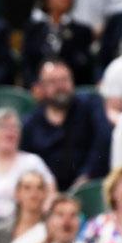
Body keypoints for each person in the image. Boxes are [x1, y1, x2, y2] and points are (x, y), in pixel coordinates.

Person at [21, 59, 111, 191]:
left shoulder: (90, 105)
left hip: (90, 185)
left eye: (64, 80)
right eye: (52, 82)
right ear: (40, 88)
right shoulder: (31, 123)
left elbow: (103, 141)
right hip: (48, 193)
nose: (60, 86)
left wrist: (86, 176)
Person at [0, 108, 56, 221]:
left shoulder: (32, 161)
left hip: (17, 225)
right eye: (3, 126)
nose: (10, 131)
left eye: (14, 127)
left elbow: (51, 194)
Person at [22, 0, 93, 87]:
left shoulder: (81, 31)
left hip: (70, 88)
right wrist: (33, 85)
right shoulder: (33, 29)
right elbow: (26, 62)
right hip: (38, 88)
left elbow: (83, 66)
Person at [24, 196, 111, 243]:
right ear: (49, 222)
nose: (66, 221)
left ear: (79, 222)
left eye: (73, 215)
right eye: (60, 214)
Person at [0, 171, 49, 243]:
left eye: (39, 188)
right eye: (27, 188)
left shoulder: (52, 230)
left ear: (45, 193)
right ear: (17, 193)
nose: (34, 193)